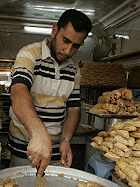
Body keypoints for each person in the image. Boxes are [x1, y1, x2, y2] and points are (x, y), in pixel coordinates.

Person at [8, 9, 92, 177]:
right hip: (25, 148)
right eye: (65, 41)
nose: (68, 51)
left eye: (76, 46)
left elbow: (73, 108)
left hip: (55, 152)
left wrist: (66, 139)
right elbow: (18, 91)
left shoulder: (74, 67)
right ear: (54, 31)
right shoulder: (30, 54)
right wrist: (38, 133)